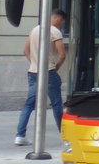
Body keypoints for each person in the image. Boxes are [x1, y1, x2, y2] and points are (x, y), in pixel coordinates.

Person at [15, 8, 66, 145]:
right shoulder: (55, 31)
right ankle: (65, 136)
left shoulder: (35, 29)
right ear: (58, 19)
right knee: (56, 104)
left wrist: (34, 63)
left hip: (33, 72)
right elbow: (62, 54)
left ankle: (20, 135)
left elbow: (26, 50)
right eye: (62, 22)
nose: (61, 24)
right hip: (49, 71)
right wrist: (56, 67)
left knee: (29, 104)